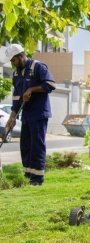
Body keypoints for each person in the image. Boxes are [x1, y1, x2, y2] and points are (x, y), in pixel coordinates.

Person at [1, 44, 56, 186]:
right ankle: (28, 176)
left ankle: (37, 179)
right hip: (25, 115)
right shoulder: (16, 74)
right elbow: (16, 99)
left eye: (13, 60)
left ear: (21, 56)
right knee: (25, 146)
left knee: (36, 145)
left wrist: (31, 88)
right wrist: (12, 117)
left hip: (39, 114)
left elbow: (50, 84)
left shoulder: (38, 67)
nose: (12, 64)